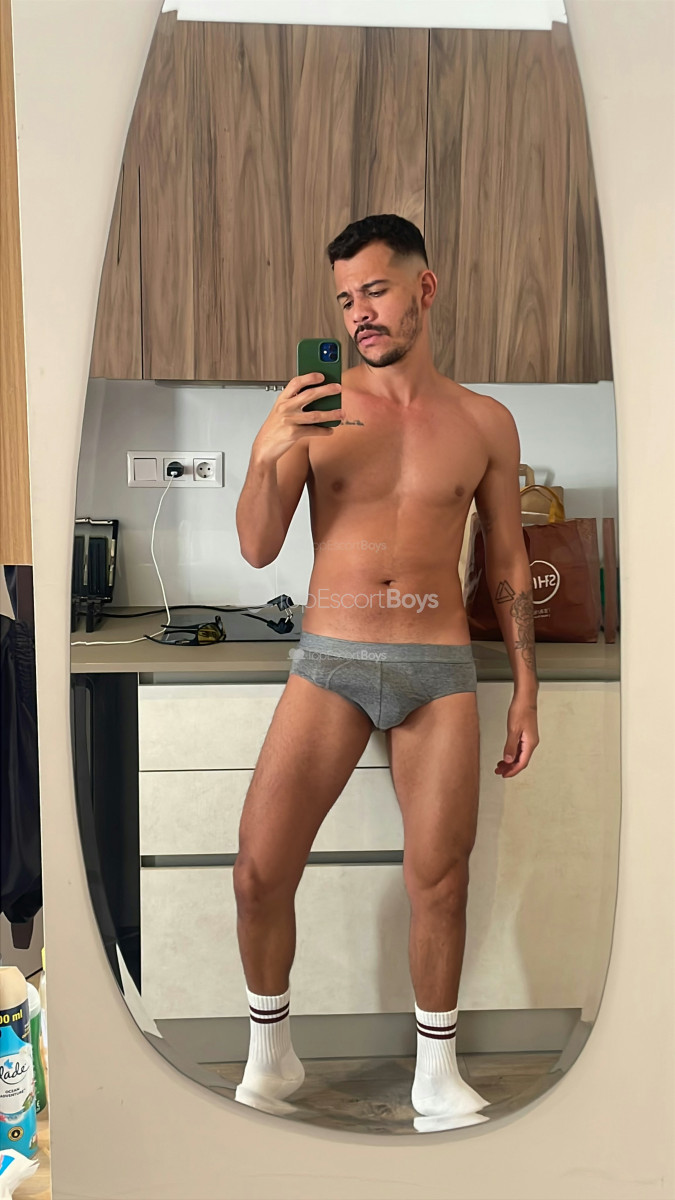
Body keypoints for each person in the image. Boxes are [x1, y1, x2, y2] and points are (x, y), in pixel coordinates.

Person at [233, 214, 540, 1129]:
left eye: (374, 289)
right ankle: (271, 1058)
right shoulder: (315, 407)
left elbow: (507, 559)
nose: (359, 312)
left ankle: (436, 1076)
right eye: (344, 299)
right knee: (257, 873)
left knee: (440, 880)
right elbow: (256, 547)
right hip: (330, 661)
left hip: (436, 670)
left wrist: (525, 685)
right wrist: (267, 449)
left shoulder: (484, 421)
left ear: (423, 289)